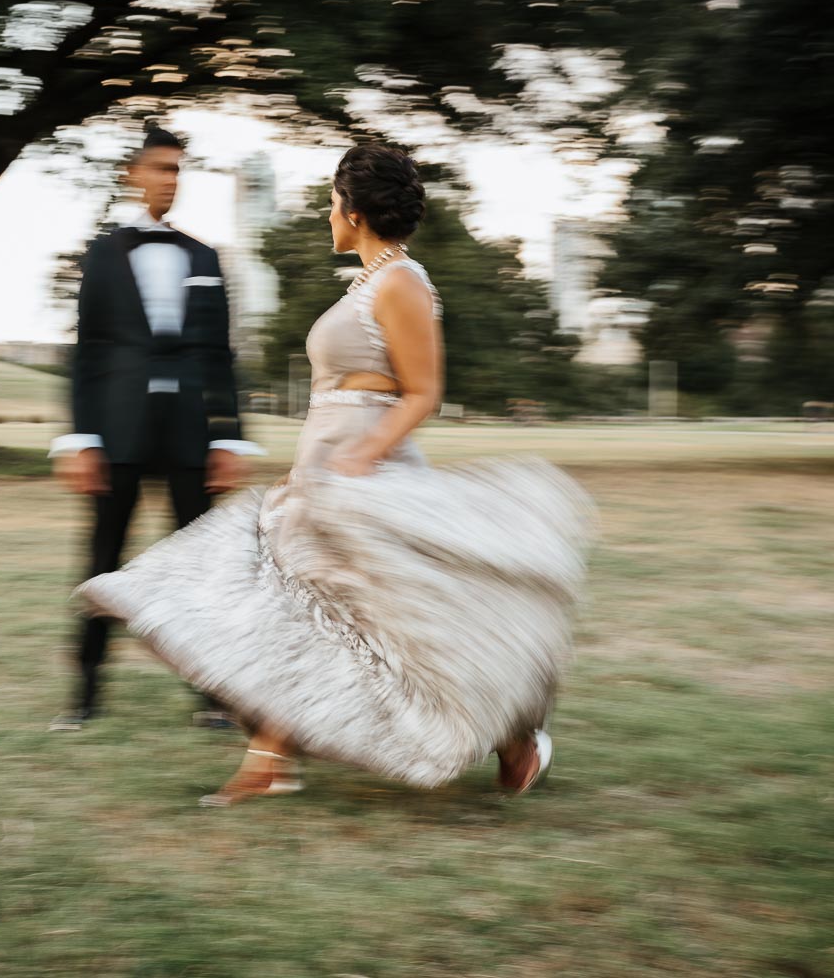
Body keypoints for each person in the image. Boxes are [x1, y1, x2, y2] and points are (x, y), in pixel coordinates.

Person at [78, 143, 593, 804]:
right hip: (325, 475)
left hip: (365, 478)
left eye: (330, 202)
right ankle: (270, 758)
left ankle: (513, 736)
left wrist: (362, 456)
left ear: (353, 210)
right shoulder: (368, 282)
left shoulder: (403, 281)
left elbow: (423, 391)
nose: (328, 214)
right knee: (298, 612)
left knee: (393, 621)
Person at [48, 125, 263, 731]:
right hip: (116, 433)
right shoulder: (103, 254)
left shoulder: (204, 257)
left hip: (192, 433)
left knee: (203, 568)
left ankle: (214, 699)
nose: (170, 180)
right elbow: (86, 350)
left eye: (177, 170)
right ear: (132, 175)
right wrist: (81, 439)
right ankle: (85, 697)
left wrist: (228, 436)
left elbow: (222, 353)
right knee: (102, 565)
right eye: (160, 168)